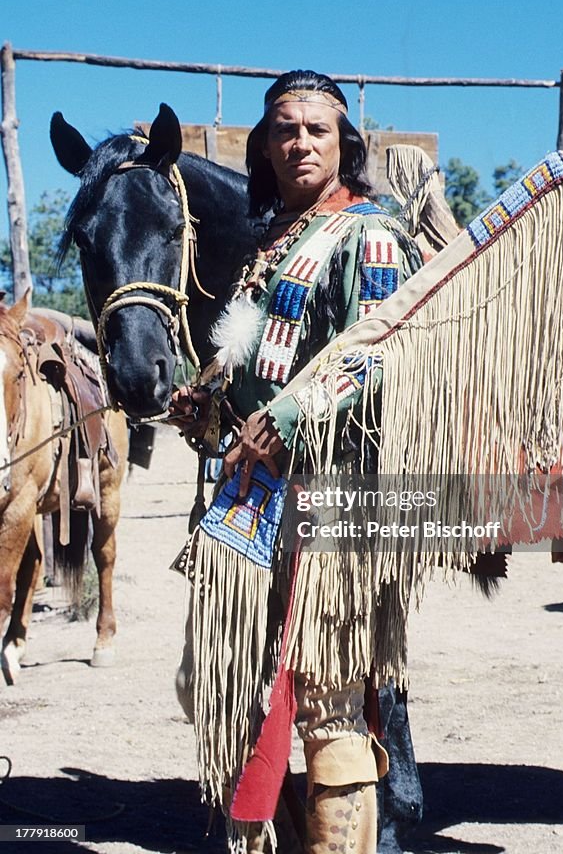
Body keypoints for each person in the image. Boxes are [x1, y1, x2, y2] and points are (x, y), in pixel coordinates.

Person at [172, 70, 423, 854]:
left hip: (335, 497)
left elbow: (380, 352)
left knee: (327, 698)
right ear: (264, 145)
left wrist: (286, 420)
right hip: (250, 506)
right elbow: (257, 364)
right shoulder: (271, 243)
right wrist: (210, 406)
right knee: (236, 689)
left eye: (316, 129)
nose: (299, 141)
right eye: (285, 128)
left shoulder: (368, 235)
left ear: (344, 144)